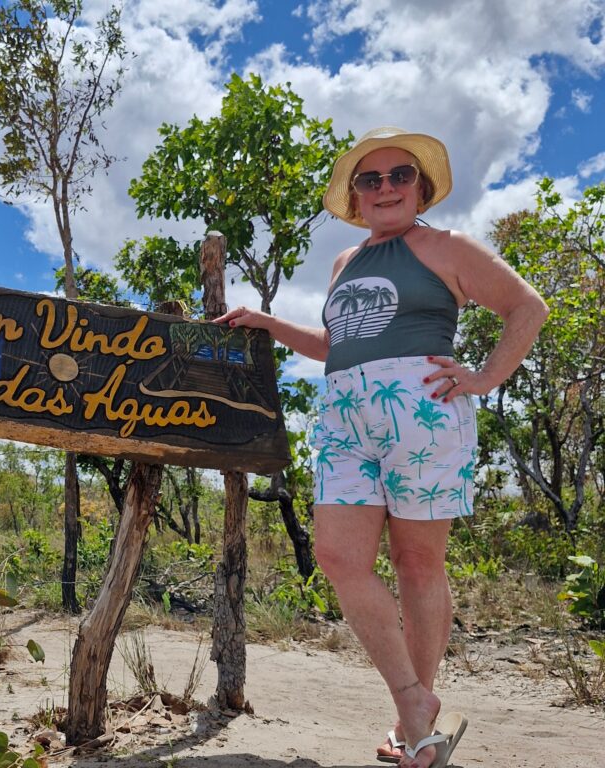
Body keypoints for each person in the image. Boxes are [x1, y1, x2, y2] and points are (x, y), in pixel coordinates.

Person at [215, 127, 548, 768]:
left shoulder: (447, 247)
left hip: (422, 410)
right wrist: (267, 322)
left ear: (420, 189)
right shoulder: (345, 263)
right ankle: (415, 701)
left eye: (400, 176)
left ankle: (413, 725)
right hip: (343, 413)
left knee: (417, 561)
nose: (387, 186)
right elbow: (335, 342)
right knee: (340, 557)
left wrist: (482, 377)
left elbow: (525, 308)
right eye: (372, 179)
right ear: (357, 197)